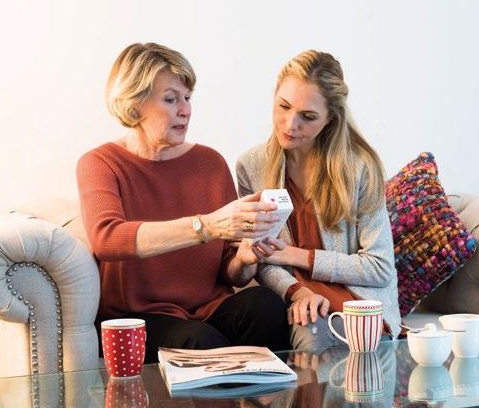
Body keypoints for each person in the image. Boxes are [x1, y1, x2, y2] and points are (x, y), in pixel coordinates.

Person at [76, 42, 290, 363]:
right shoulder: (100, 163)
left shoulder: (210, 163)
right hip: (139, 317)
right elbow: (108, 239)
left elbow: (232, 273)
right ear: (134, 105)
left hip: (209, 309)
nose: (185, 109)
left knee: (265, 306)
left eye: (187, 98)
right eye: (170, 99)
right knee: (200, 341)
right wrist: (207, 225)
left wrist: (246, 259)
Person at [236, 50, 401, 350]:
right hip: (299, 300)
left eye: (308, 117)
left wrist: (295, 255)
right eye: (283, 106)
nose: (289, 124)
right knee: (308, 331)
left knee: (314, 337)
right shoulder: (251, 166)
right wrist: (297, 291)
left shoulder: (360, 167)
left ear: (330, 119)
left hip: (358, 305)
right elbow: (258, 258)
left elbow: (379, 268)